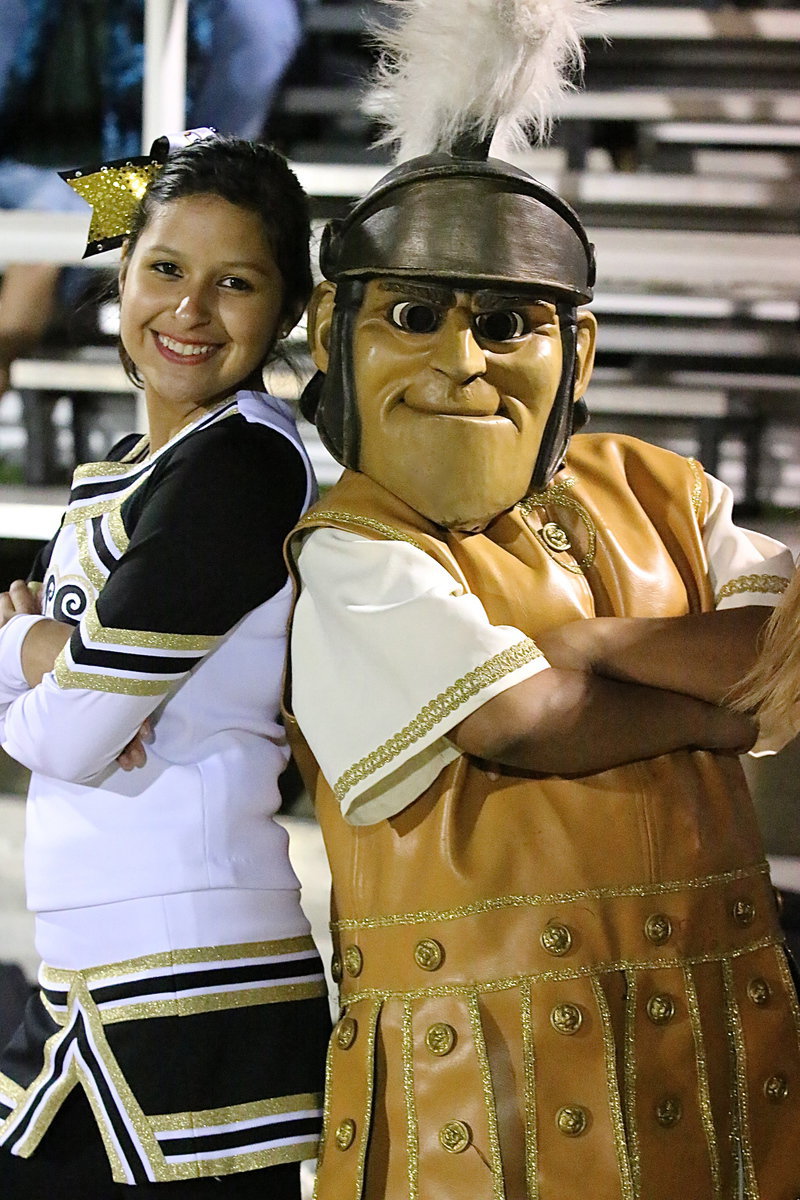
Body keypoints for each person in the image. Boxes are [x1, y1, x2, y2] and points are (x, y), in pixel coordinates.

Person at [282, 2, 800, 1196]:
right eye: (416, 317)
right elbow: (516, 722)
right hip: (485, 1095)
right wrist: (711, 703)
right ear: (331, 334)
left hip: (726, 1055)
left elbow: (783, 654)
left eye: (507, 323)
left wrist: (589, 638)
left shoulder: (657, 487)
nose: (461, 360)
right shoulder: (354, 545)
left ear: (580, 349)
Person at [0, 134, 330, 1198]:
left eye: (236, 282)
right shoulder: (143, 467)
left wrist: (21, 646)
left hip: (190, 986)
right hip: (102, 973)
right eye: (166, 269)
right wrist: (59, 667)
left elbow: (65, 736)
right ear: (121, 274)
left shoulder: (239, 465)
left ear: (284, 314)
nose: (189, 311)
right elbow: (66, 722)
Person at [0, 0, 305, 397]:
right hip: (13, 171)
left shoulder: (248, 11)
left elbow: (216, 155)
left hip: (141, 180)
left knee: (43, 235)